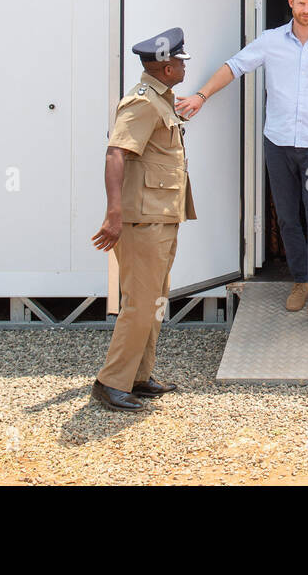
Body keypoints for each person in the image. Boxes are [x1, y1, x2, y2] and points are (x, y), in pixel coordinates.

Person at [176, 0, 308, 322]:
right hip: (279, 146)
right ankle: (300, 281)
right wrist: (201, 95)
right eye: (300, 3)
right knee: (288, 218)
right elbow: (234, 66)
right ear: (290, 3)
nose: (305, 10)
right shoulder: (271, 41)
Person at [90, 27, 196, 412]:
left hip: (162, 216)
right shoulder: (141, 103)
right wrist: (113, 213)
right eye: (180, 60)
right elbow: (115, 153)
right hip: (141, 220)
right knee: (139, 302)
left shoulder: (161, 100)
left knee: (155, 300)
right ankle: (110, 381)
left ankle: (139, 375)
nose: (184, 65)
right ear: (165, 67)